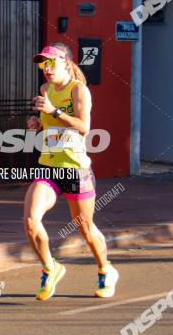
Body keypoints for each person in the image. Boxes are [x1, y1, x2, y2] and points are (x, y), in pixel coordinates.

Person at [23, 43, 119, 301]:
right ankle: (50, 267)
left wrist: (52, 111)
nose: (47, 69)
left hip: (75, 169)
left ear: (66, 62)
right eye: (43, 64)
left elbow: (83, 127)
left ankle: (105, 269)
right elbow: (49, 125)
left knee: (85, 228)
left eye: (51, 63)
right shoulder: (45, 90)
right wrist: (36, 124)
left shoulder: (79, 90)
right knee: (31, 221)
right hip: (49, 166)